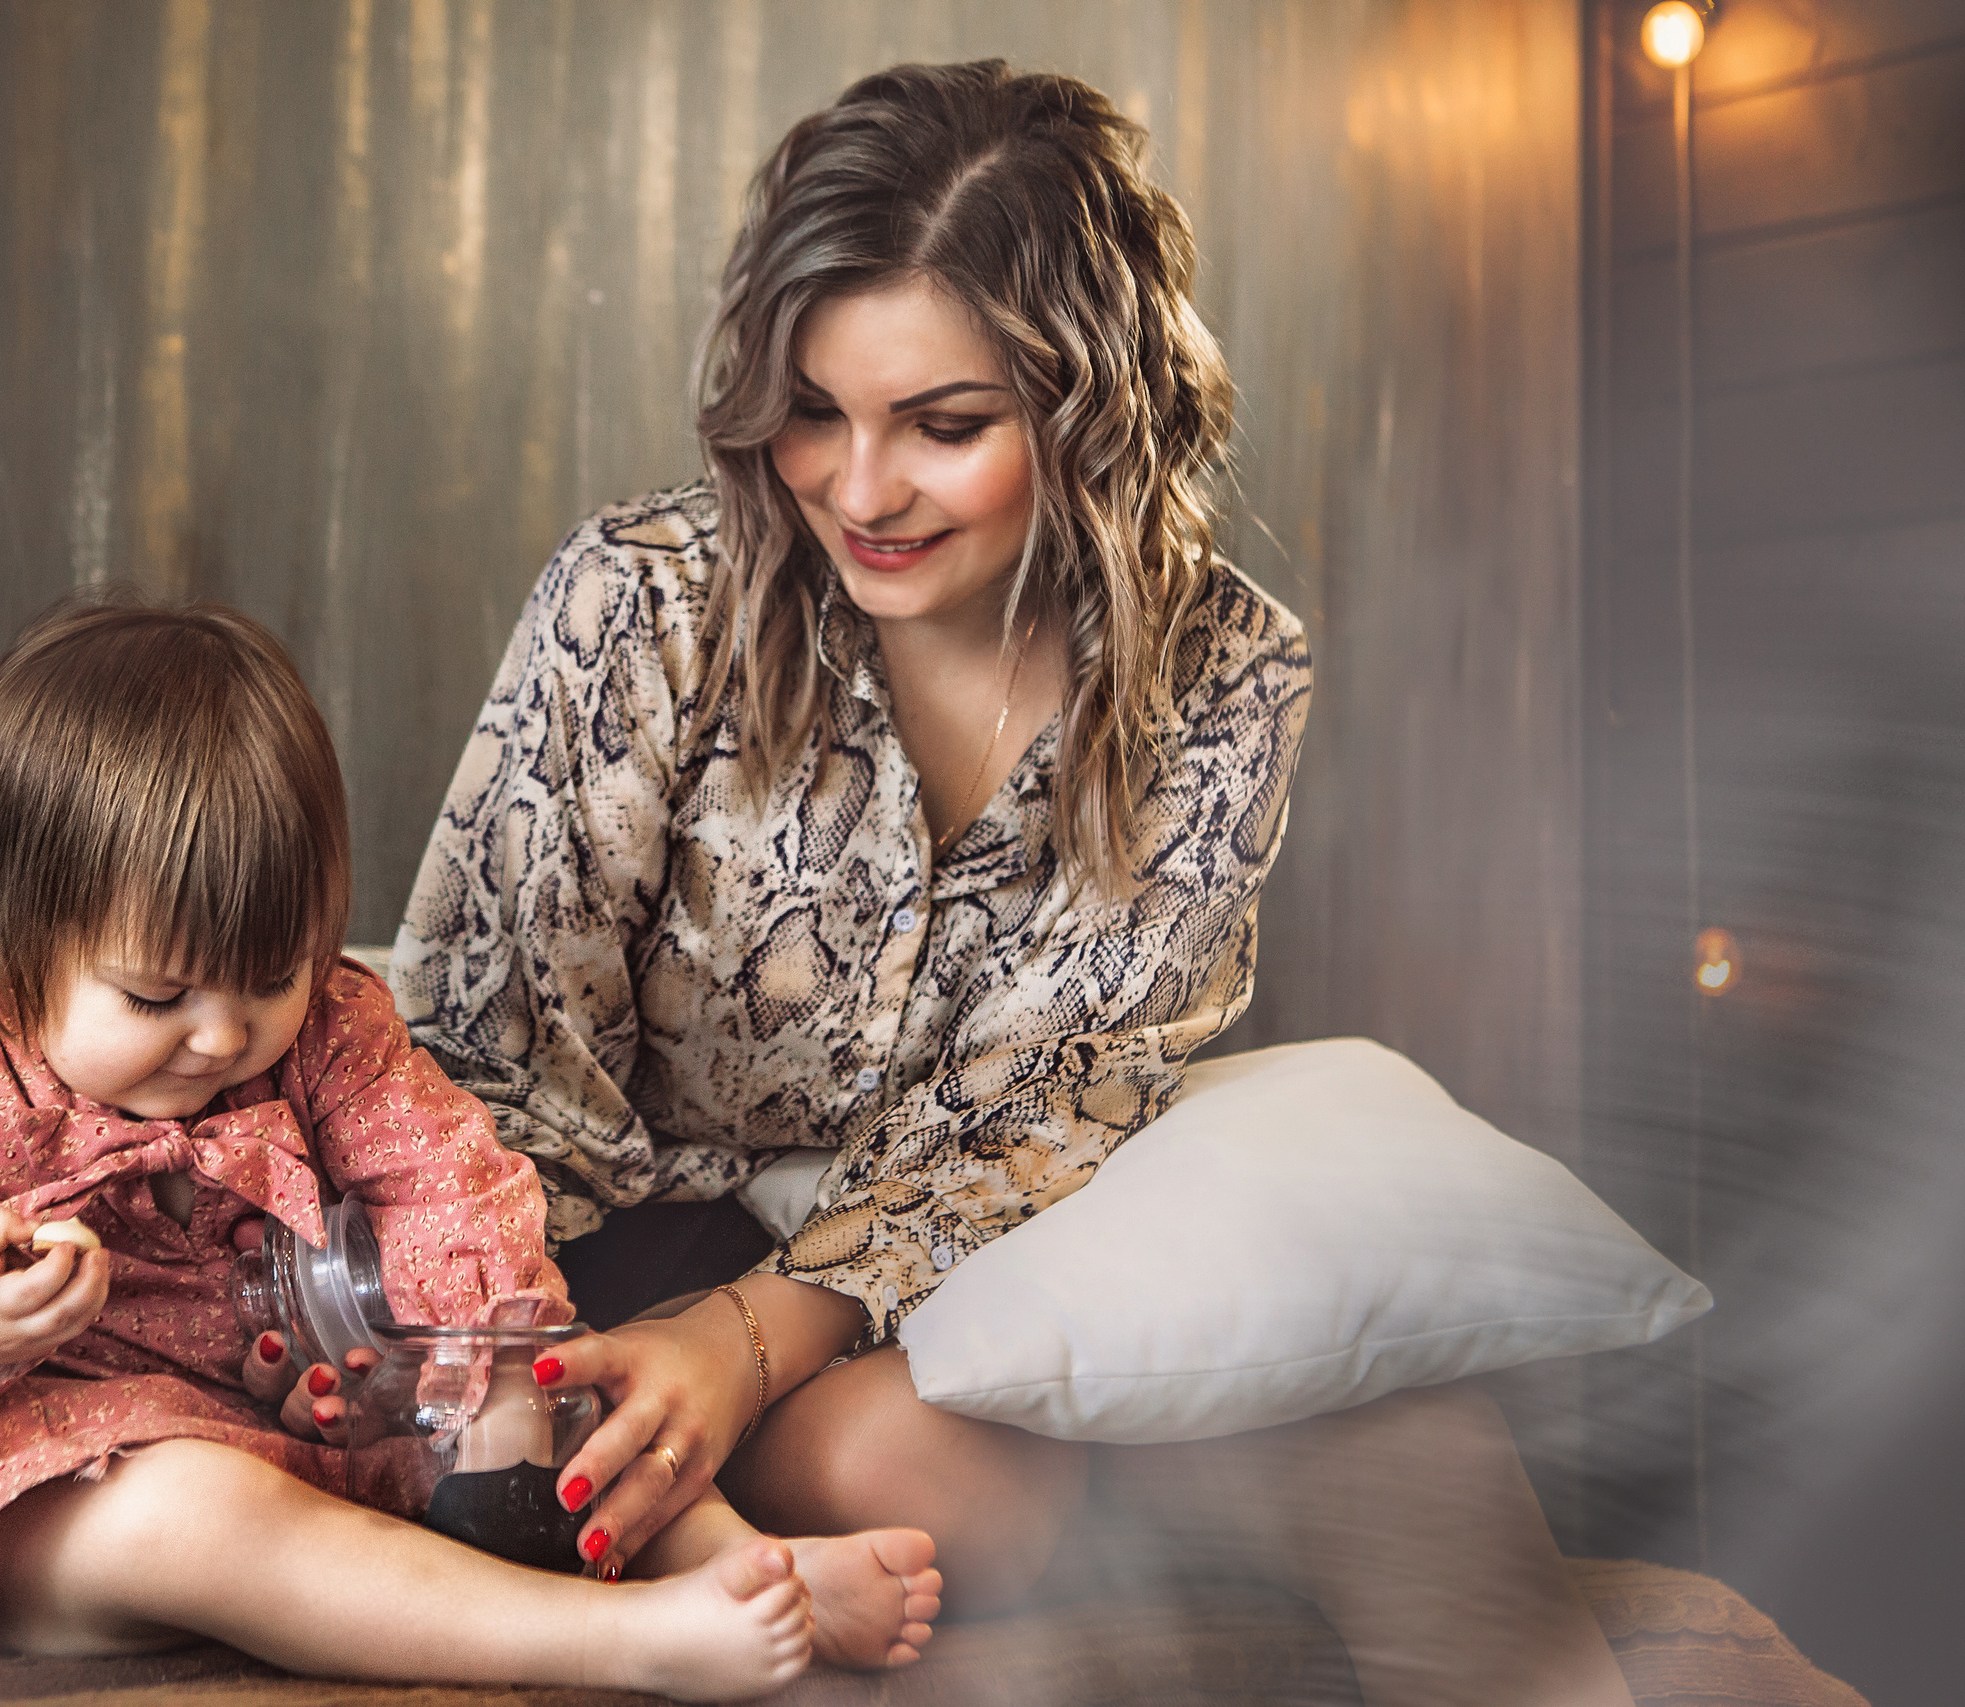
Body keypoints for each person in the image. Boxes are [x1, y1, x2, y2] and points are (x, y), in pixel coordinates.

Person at [394, 60, 1637, 1706]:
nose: (856, 486)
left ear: (1087, 405)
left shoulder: (1226, 672)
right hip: (612, 1236)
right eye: (815, 409)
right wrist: (599, 1357)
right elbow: (496, 1060)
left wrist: (769, 1330)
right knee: (932, 1484)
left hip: (993, 1241)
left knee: (1436, 1456)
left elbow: (1051, 1093)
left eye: (946, 425)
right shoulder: (645, 602)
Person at [0, 597, 930, 1700]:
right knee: (193, 1511)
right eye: (155, 997)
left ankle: (745, 1571)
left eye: (269, 975)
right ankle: (613, 1642)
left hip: (315, 1426)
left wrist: (479, 1358)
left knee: (565, 1378)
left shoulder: (334, 1025)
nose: (223, 1033)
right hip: (25, 1483)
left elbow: (445, 1176)